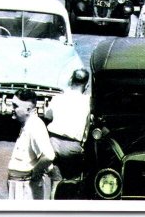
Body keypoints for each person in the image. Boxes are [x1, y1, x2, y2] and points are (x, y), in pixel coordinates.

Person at [44, 70, 91, 198]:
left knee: (56, 181)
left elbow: (47, 115)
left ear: (71, 80)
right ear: (86, 86)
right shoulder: (88, 102)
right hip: (72, 147)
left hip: (53, 143)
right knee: (72, 183)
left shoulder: (58, 97)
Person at [6, 88, 56, 200]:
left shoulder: (35, 126)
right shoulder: (28, 124)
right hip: (19, 184)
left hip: (25, 187)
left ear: (28, 109)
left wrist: (35, 174)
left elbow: (49, 155)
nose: (12, 109)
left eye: (15, 106)